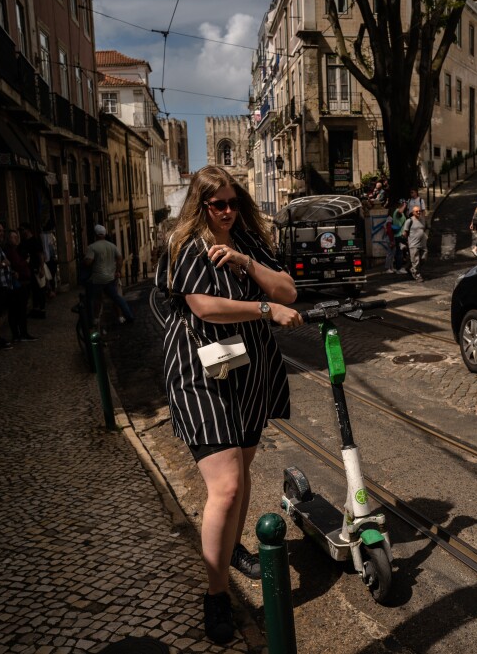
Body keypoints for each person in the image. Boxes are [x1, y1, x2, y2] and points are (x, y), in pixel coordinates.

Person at [159, 166, 302, 645]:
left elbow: (288, 291)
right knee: (227, 485)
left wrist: (246, 264)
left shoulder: (245, 242)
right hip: (203, 373)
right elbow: (204, 306)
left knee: (241, 475)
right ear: (199, 207)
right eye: (216, 204)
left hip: (248, 372)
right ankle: (216, 595)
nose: (225, 211)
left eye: (232, 202)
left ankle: (232, 547)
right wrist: (264, 309)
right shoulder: (187, 247)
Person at [84, 225, 135, 326]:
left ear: (95, 235)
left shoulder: (92, 247)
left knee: (94, 299)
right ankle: (129, 316)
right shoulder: (112, 246)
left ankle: (94, 320)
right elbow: (120, 259)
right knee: (117, 298)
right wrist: (117, 271)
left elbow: (88, 263)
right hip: (110, 278)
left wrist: (85, 260)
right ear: (104, 234)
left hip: (97, 279)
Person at [3, 225, 37, 342]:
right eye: (13, 237)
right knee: (19, 310)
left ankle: (19, 334)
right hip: (18, 284)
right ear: (8, 239)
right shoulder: (10, 251)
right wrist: (25, 262)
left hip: (20, 283)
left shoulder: (14, 250)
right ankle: (21, 334)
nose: (16, 239)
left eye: (17, 237)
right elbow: (17, 264)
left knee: (18, 310)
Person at [19, 224, 51, 318]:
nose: (21, 232)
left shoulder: (35, 241)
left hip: (36, 268)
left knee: (39, 289)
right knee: (34, 289)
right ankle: (36, 309)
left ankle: (41, 310)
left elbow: (40, 255)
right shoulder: (23, 242)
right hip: (28, 269)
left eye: (22, 229)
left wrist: (41, 269)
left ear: (28, 230)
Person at [404, 206, 428, 281]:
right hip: (413, 244)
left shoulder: (423, 220)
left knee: (424, 257)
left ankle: (410, 268)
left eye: (419, 211)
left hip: (423, 243)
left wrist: (426, 236)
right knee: (416, 260)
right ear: (413, 212)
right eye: (416, 211)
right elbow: (405, 233)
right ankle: (417, 275)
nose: (418, 212)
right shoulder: (409, 221)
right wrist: (408, 242)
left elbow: (426, 229)